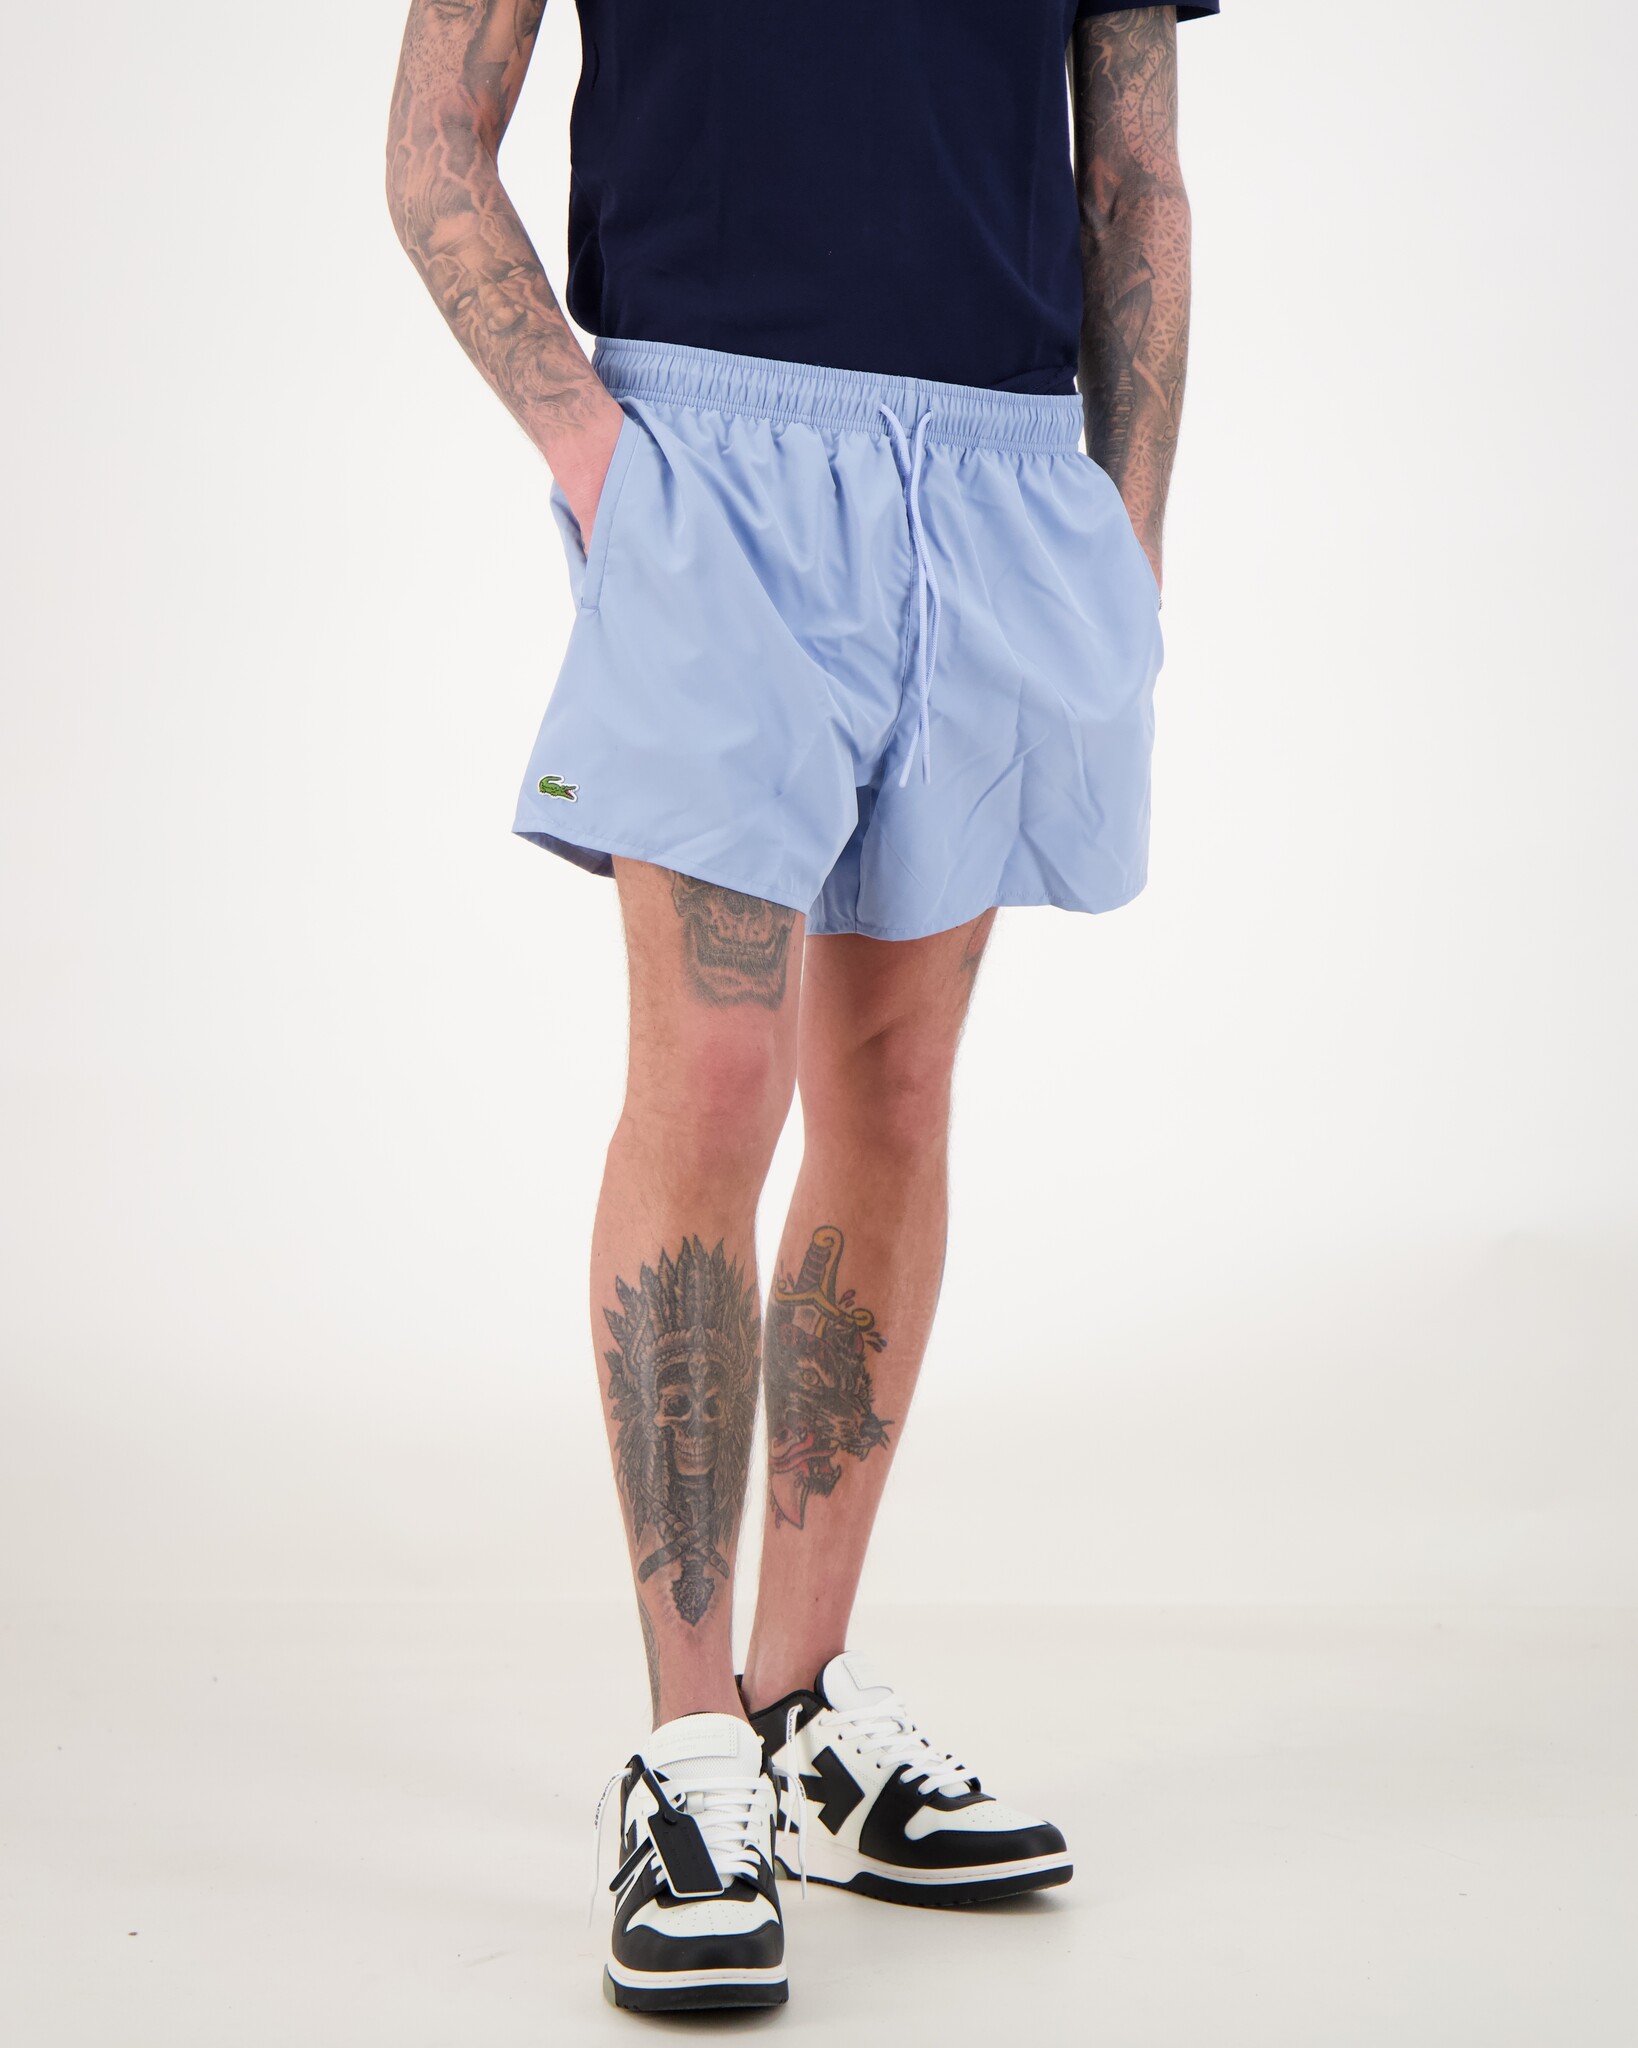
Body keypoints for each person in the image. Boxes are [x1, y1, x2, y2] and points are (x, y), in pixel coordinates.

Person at [387, 0, 1217, 2014]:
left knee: (897, 1088)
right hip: (714, 455)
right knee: (715, 1074)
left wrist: (1125, 533)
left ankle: (799, 1705)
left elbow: (1134, 176)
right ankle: (687, 1751)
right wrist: (603, 459)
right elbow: (432, 148)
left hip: (1005, 471)